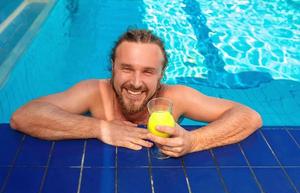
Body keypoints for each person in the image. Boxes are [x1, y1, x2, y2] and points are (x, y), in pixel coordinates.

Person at [10, 29, 262, 157]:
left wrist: (194, 141)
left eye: (148, 72)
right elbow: (24, 116)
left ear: (161, 75)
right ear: (112, 68)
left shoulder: (177, 97)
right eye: (127, 69)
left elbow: (248, 116)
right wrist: (100, 128)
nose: (136, 83)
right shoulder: (94, 92)